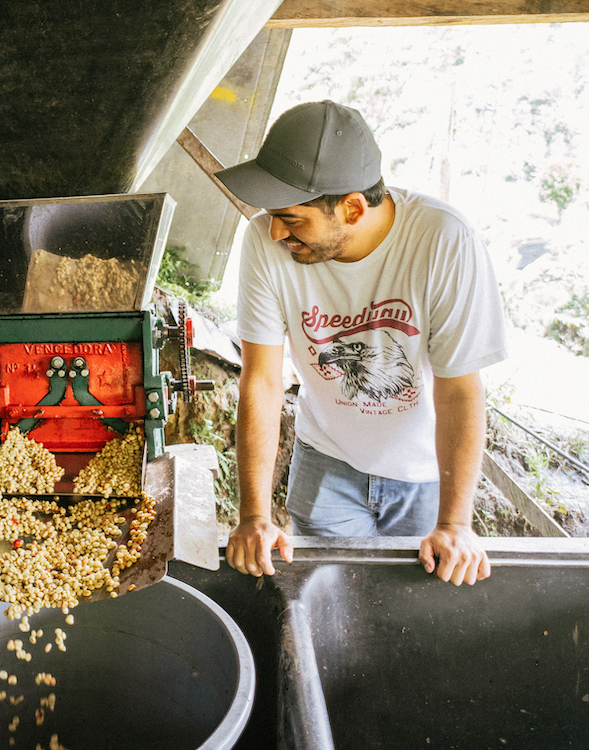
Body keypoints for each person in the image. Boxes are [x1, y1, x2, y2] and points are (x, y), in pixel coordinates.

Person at [214, 100, 507, 587]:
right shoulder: (265, 243)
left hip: (425, 472)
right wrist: (254, 515)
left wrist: (455, 524)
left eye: (291, 217)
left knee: (409, 610)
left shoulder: (443, 242)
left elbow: (459, 389)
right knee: (326, 599)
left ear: (352, 207)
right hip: (327, 461)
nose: (275, 230)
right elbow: (262, 380)